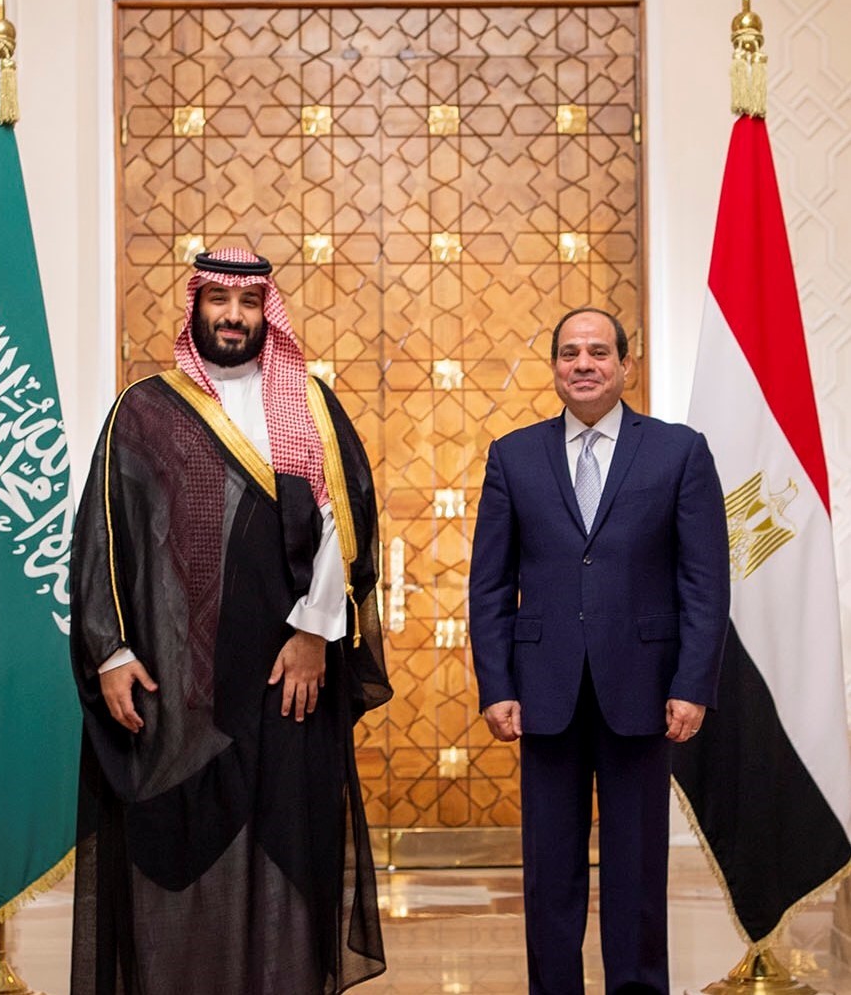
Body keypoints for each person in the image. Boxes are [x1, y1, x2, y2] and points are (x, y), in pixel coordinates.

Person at [68, 248, 392, 995]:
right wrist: (110, 652)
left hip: (287, 674)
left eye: (248, 303)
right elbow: (102, 535)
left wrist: (314, 631)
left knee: (287, 835)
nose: (233, 316)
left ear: (265, 311)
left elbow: (346, 523)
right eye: (218, 300)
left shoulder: (308, 404)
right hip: (179, 679)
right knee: (176, 843)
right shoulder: (144, 410)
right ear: (195, 308)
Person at [469, 307, 731, 994]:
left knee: (636, 870)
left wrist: (693, 682)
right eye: (568, 353)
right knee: (548, 872)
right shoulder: (512, 455)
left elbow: (703, 582)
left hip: (643, 690)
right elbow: (489, 584)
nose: (582, 364)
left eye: (597, 352)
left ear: (625, 364)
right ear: (553, 366)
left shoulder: (678, 451)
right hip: (542, 692)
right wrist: (495, 684)